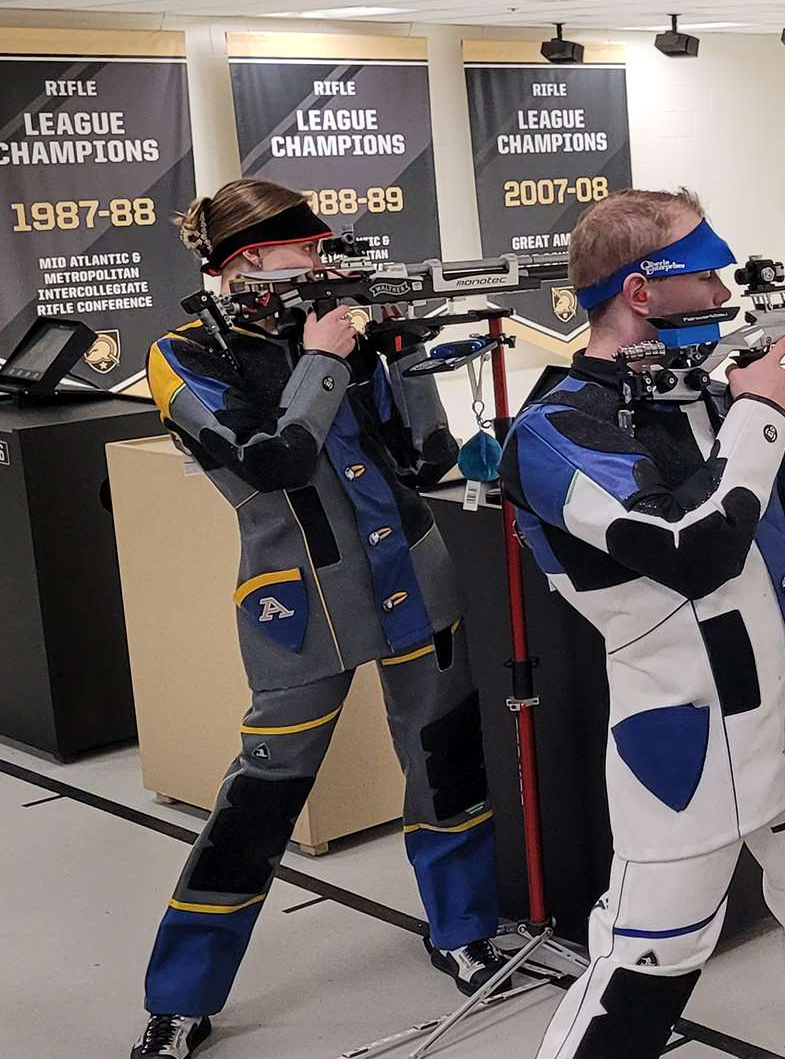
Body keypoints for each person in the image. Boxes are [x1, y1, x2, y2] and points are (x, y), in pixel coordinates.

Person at [500, 187, 785, 1059]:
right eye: (706, 274)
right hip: (686, 755)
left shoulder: (712, 401)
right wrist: (761, 411)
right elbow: (692, 550)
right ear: (641, 293)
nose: (725, 293)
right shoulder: (556, 430)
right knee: (639, 985)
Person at [131, 179, 508, 1059]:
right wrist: (325, 358)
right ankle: (182, 996)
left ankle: (462, 932)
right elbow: (271, 464)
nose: (325, 265)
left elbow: (427, 458)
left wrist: (404, 357)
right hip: (298, 606)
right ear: (250, 260)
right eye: (310, 251)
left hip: (416, 576)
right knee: (261, 800)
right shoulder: (182, 355)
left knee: (445, 765)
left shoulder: (340, 332)